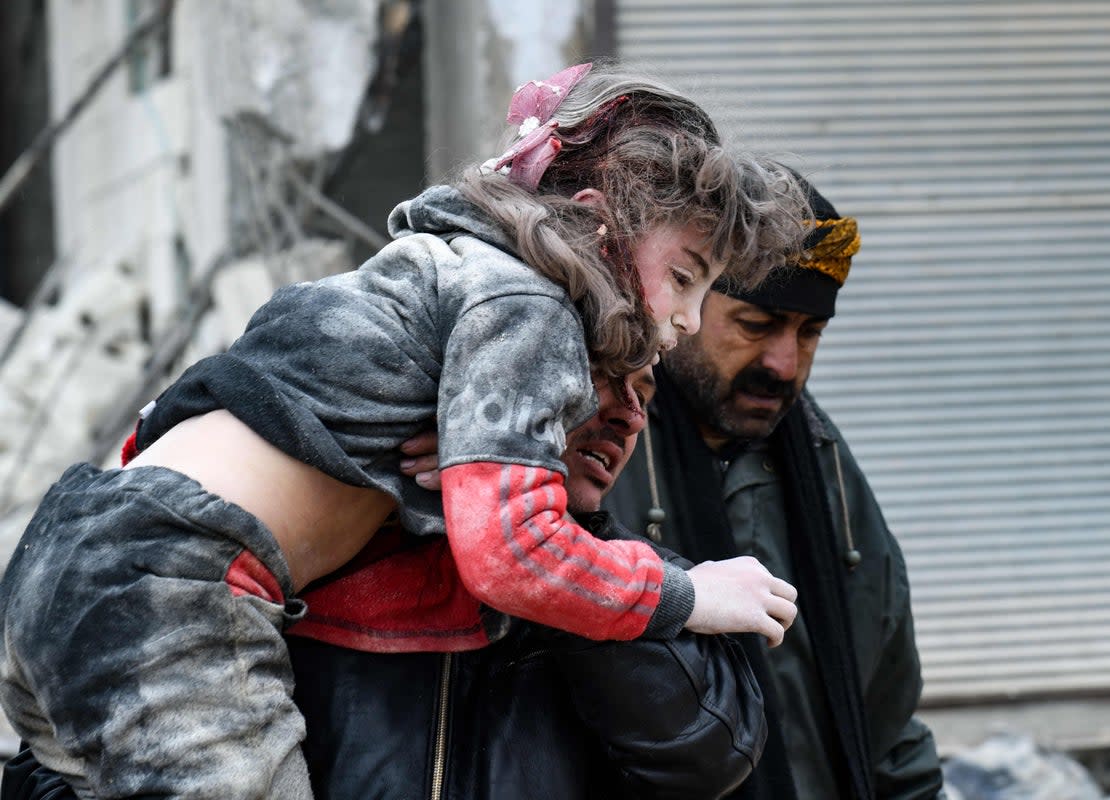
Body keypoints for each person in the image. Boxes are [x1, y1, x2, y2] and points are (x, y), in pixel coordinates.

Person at [0, 63, 802, 799]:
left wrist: (434, 480)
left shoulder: (422, 278)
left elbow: (215, 397)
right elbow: (515, 555)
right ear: (598, 226)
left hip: (68, 552)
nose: (685, 321)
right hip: (177, 585)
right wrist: (688, 594)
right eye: (687, 279)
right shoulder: (528, 303)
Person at [3, 367, 777, 800]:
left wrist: (561, 560)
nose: (627, 416)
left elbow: (708, 754)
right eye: (601, 377)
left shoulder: (646, 578)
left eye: (645, 393)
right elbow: (75, 755)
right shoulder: (302, 543)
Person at [604, 170, 947, 800]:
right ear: (683, 302)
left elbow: (887, 730)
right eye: (756, 325)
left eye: (809, 332)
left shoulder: (823, 466)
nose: (784, 365)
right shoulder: (592, 457)